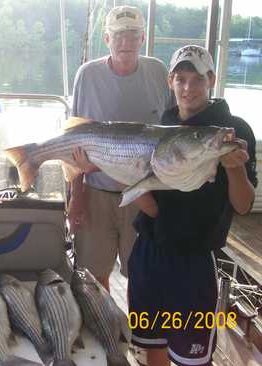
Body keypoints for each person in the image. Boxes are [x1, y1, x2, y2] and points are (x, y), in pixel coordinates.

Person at [128, 45, 257, 366]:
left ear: (211, 79)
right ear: (171, 81)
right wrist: (122, 175)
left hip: (195, 264)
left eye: (197, 79)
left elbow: (243, 205)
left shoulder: (233, 130)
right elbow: (152, 208)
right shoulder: (163, 126)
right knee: (150, 345)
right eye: (181, 79)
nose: (188, 89)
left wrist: (234, 167)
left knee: (193, 358)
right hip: (149, 255)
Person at [69, 5, 174, 291]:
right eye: (118, 35)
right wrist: (76, 197)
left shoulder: (158, 72)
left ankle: (136, 333)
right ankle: (105, 329)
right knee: (93, 274)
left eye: (132, 34)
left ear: (143, 38)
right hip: (97, 193)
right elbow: (75, 138)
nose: (125, 42)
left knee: (140, 274)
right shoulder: (87, 75)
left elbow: (174, 134)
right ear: (106, 39)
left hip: (145, 195)